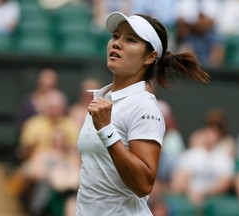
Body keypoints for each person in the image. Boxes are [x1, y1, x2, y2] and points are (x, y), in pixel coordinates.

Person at [76, 11, 210, 216]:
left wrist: (106, 130)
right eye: (115, 36)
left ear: (150, 57)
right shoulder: (102, 100)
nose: (117, 43)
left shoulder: (144, 107)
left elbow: (144, 184)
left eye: (130, 40)